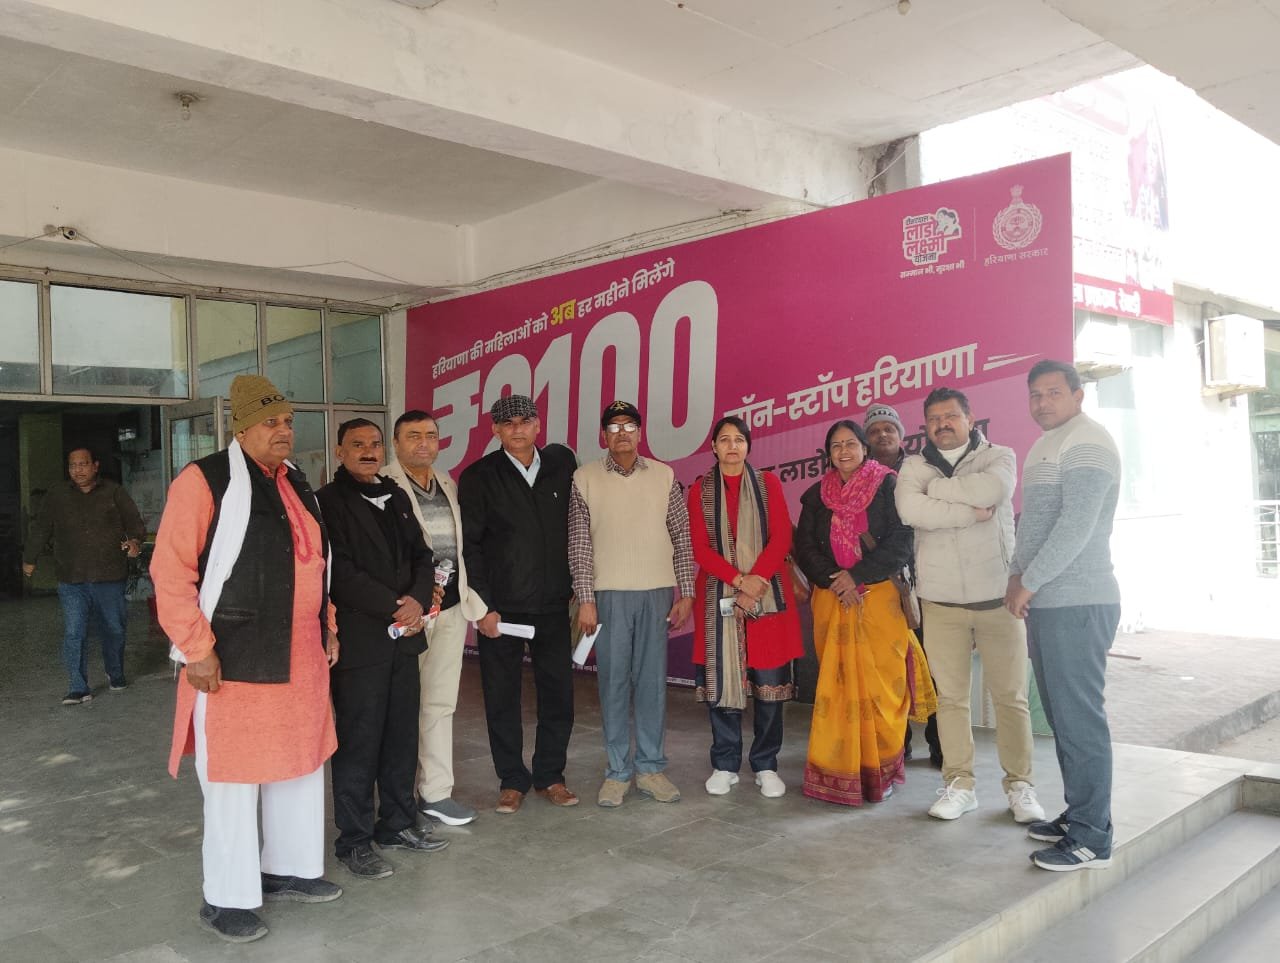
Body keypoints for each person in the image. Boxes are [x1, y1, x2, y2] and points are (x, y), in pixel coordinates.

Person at [151, 374, 342, 944]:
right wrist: (197, 648)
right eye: (270, 422)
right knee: (233, 778)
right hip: (231, 658)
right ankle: (226, 898)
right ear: (240, 428)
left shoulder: (296, 481)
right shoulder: (203, 480)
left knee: (300, 766)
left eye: (288, 421)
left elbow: (318, 566)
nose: (283, 431)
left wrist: (328, 627)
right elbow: (171, 572)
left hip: (301, 655)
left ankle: (288, 869)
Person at [896, 388, 1043, 824]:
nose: (942, 424)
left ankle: (1020, 786)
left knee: (1011, 697)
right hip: (940, 601)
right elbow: (910, 510)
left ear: (970, 419)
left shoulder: (1000, 456)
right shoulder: (913, 466)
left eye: (951, 416)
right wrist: (969, 512)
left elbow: (994, 489)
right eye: (934, 419)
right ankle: (960, 784)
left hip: (998, 597)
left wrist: (939, 491)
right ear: (925, 426)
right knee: (951, 699)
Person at [317, 419, 448, 880]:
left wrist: (416, 600)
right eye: (358, 445)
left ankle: (397, 823)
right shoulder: (327, 503)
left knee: (400, 737)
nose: (368, 451)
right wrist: (396, 606)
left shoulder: (395, 495)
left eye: (374, 444)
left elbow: (423, 556)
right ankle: (354, 841)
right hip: (362, 644)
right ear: (340, 452)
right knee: (360, 743)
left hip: (404, 640)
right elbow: (339, 572)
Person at [1006, 360, 1122, 872]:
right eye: (1035, 394)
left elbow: (1078, 525)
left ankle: (1093, 837)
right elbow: (1033, 524)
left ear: (1078, 395)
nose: (1042, 402)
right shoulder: (1045, 445)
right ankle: (1080, 815)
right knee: (1062, 718)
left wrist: (1029, 582)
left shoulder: (1088, 441)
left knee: (1079, 721)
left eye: (1054, 392)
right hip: (1049, 601)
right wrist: (1016, 575)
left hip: (1079, 600)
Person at [794, 419, 934, 806]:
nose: (844, 451)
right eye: (836, 445)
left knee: (882, 688)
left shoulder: (888, 485)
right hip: (832, 600)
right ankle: (836, 768)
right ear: (828, 453)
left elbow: (902, 540)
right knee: (836, 688)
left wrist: (855, 576)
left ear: (864, 448)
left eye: (850, 444)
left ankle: (880, 771)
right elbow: (804, 546)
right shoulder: (815, 496)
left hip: (878, 599)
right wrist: (834, 579)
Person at [568, 400, 695, 807]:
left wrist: (686, 592)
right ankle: (617, 772)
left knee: (652, 683)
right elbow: (579, 545)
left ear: (640, 433)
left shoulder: (664, 475)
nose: (621, 433)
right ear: (603, 435)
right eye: (613, 427)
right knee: (613, 683)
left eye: (629, 426)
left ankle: (651, 769)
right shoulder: (585, 478)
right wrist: (586, 599)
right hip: (608, 596)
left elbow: (681, 535)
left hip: (656, 593)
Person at [458, 394, 579, 814]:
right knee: (501, 697)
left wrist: (577, 586)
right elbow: (470, 547)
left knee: (558, 694)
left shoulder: (562, 468)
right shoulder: (478, 476)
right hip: (502, 611)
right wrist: (483, 607)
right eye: (508, 424)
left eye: (525, 421)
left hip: (553, 604)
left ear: (538, 425)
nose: (517, 429)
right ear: (495, 430)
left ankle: (551, 775)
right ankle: (511, 779)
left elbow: (578, 530)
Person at [687, 416, 803, 798]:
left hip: (766, 597)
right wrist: (739, 581)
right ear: (714, 447)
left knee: (769, 685)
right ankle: (725, 763)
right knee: (724, 682)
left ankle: (766, 764)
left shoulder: (768, 484)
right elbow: (701, 548)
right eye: (724, 440)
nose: (732, 446)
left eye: (739, 439)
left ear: (749, 446)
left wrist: (755, 582)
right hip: (719, 597)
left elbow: (781, 537)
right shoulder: (700, 491)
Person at [385, 410, 488, 827]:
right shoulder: (384, 484)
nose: (423, 443)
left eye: (430, 435)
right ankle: (395, 795)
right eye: (413, 436)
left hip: (449, 610)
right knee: (401, 704)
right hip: (408, 613)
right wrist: (411, 595)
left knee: (441, 702)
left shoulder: (446, 482)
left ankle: (436, 793)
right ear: (396, 443)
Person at [23, 446, 145, 704]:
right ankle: (78, 686)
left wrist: (134, 542)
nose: (77, 470)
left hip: (110, 576)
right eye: (72, 465)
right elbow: (42, 527)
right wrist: (30, 558)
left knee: (114, 629)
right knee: (74, 632)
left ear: (95, 465)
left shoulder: (114, 492)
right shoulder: (57, 495)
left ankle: (115, 673)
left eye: (83, 464)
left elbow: (135, 523)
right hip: (72, 578)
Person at [864, 403, 942, 768]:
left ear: (901, 435)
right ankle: (898, 743)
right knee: (889, 668)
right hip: (880, 584)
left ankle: (941, 744)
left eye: (889, 429)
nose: (882, 434)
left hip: (923, 582)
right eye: (874, 430)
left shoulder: (921, 470)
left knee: (932, 664)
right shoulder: (860, 475)